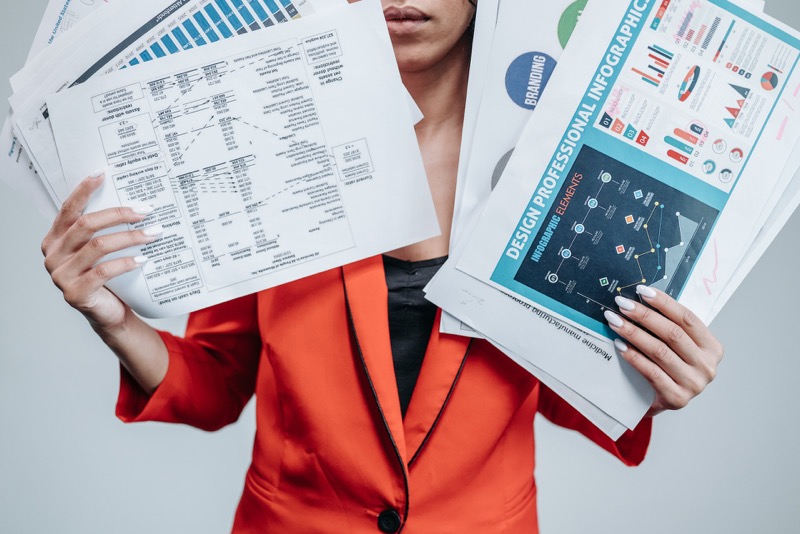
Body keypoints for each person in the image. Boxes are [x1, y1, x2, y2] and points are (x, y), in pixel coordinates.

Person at [40, 1, 723, 532]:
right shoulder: (262, 153)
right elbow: (217, 386)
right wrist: (113, 318)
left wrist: (652, 381)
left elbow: (572, 386)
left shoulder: (552, 165)